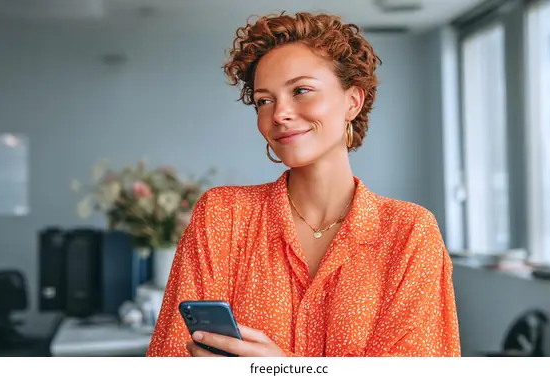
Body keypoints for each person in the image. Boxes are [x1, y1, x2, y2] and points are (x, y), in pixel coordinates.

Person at [146, 11, 460, 357]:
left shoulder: (409, 233)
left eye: (301, 90)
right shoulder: (223, 216)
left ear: (352, 101)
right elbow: (170, 357)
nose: (279, 113)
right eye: (264, 100)